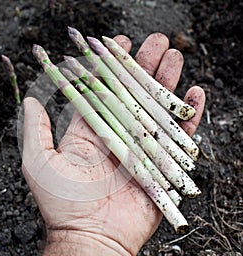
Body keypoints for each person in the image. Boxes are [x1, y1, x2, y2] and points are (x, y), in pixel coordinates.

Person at [21, 32, 206, 256]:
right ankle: (174, 189)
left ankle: (177, 182)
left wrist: (81, 238)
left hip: (166, 152)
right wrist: (83, 235)